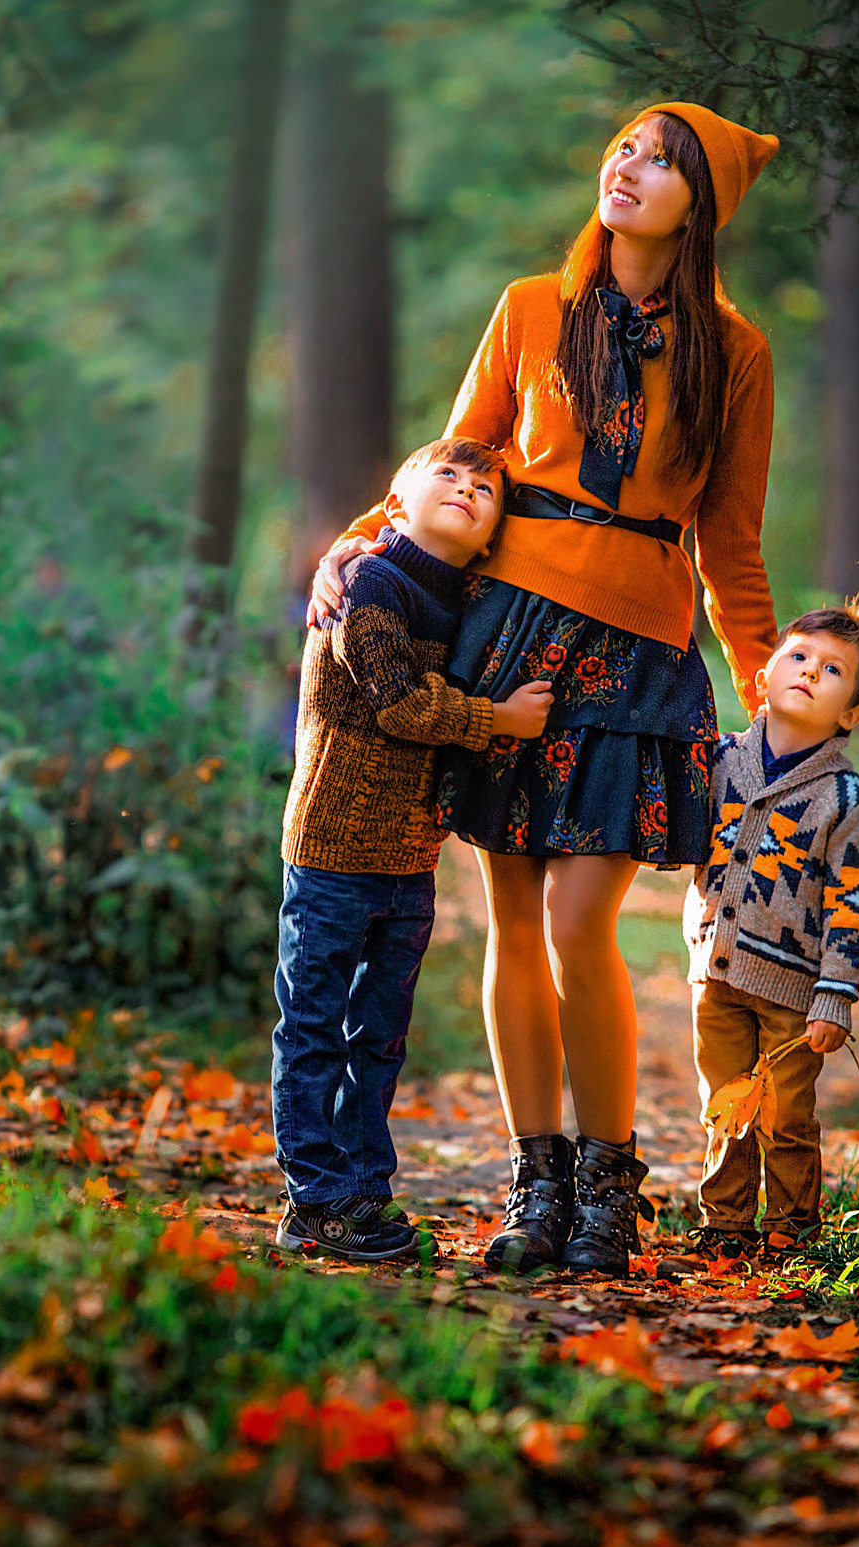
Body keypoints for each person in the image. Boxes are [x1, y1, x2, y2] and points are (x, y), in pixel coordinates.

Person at [308, 101, 784, 1275]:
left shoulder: (738, 352)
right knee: (513, 919)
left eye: (664, 162)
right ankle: (536, 1188)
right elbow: (455, 453)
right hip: (505, 633)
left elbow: (728, 536)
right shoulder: (530, 309)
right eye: (626, 147)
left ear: (702, 204)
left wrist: (762, 672)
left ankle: (608, 1189)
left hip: (636, 647)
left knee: (583, 921)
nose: (631, 168)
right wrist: (356, 544)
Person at [273, 438, 554, 1262]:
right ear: (398, 499)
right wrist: (494, 718)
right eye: (448, 475)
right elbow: (398, 701)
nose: (467, 490)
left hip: (407, 858)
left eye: (485, 488)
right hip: (331, 850)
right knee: (316, 1027)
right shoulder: (367, 583)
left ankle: (362, 1188)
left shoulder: (467, 601)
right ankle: (314, 1197)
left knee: (379, 1036)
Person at [685, 600, 859, 1258]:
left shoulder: (843, 799)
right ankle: (726, 1225)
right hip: (715, 969)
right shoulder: (721, 759)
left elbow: (851, 900)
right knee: (724, 1104)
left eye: (831, 669)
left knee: (785, 1115)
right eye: (797, 655)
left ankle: (792, 1231)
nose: (808, 671)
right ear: (763, 672)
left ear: (850, 714)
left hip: (793, 990)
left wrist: (835, 994)